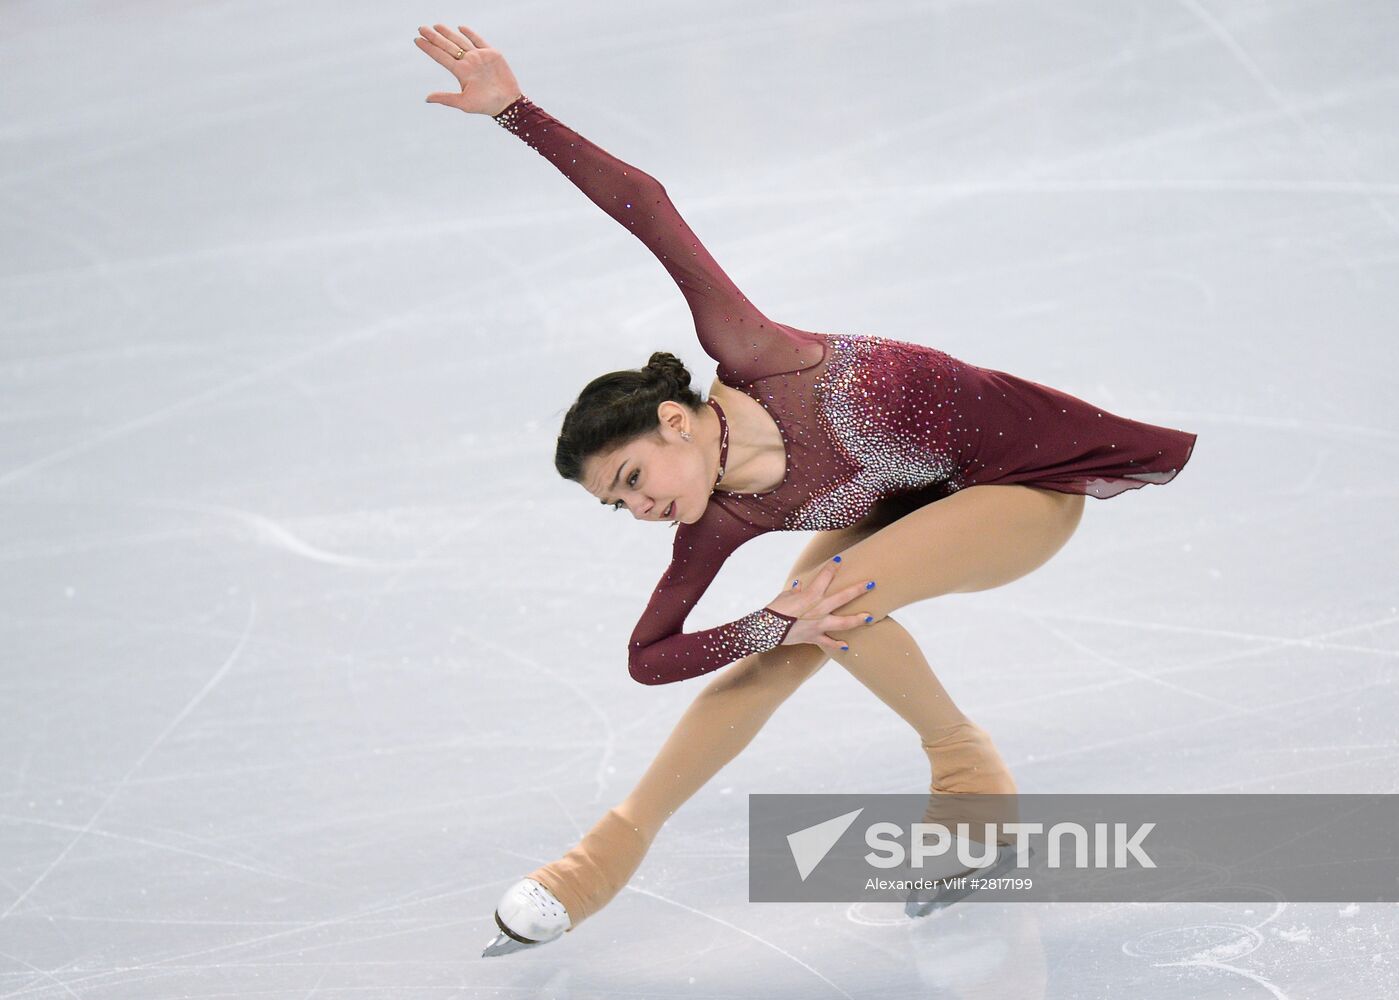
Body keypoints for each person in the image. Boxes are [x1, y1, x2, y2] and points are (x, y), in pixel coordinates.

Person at [412, 23, 1198, 956]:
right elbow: (648, 657)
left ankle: (965, 780)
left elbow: (646, 207)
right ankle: (599, 859)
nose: (636, 508)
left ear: (674, 422)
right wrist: (764, 628)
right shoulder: (720, 520)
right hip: (907, 508)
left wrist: (515, 112)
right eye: (614, 505)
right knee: (796, 633)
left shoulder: (755, 356)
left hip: (1024, 491)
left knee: (831, 597)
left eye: (630, 479)